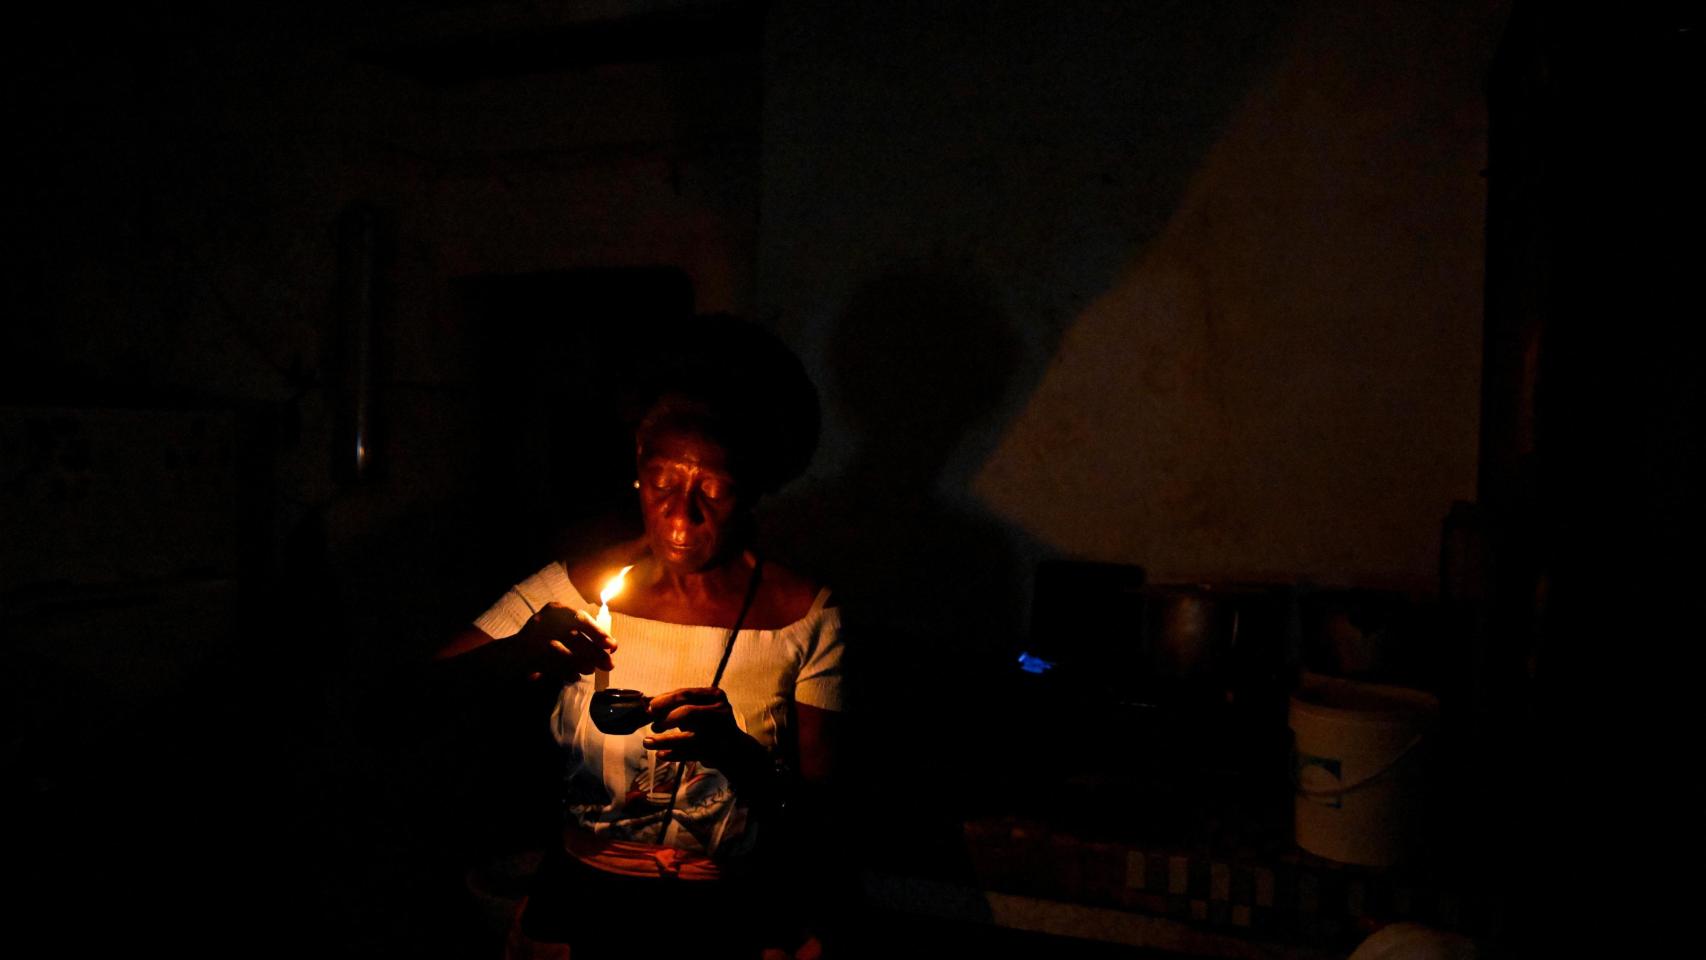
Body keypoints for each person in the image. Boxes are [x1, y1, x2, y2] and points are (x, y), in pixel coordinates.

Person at [436, 316, 844, 959]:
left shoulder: (804, 618)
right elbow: (410, 697)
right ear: (636, 468)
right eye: (662, 484)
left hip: (728, 917)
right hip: (583, 907)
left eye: (714, 489)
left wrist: (736, 754)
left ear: (755, 490)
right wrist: (516, 656)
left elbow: (823, 811)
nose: (681, 515)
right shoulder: (571, 587)